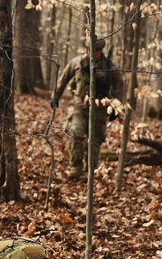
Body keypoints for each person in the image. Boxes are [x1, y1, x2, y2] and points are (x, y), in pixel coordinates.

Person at [50, 36, 124, 178]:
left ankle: (90, 170)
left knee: (95, 141)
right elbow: (63, 79)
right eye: (89, 50)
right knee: (75, 133)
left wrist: (116, 108)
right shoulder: (77, 62)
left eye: (95, 51)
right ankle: (76, 167)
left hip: (100, 108)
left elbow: (119, 87)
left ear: (101, 51)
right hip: (79, 105)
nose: (92, 53)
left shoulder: (110, 68)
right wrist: (55, 96)